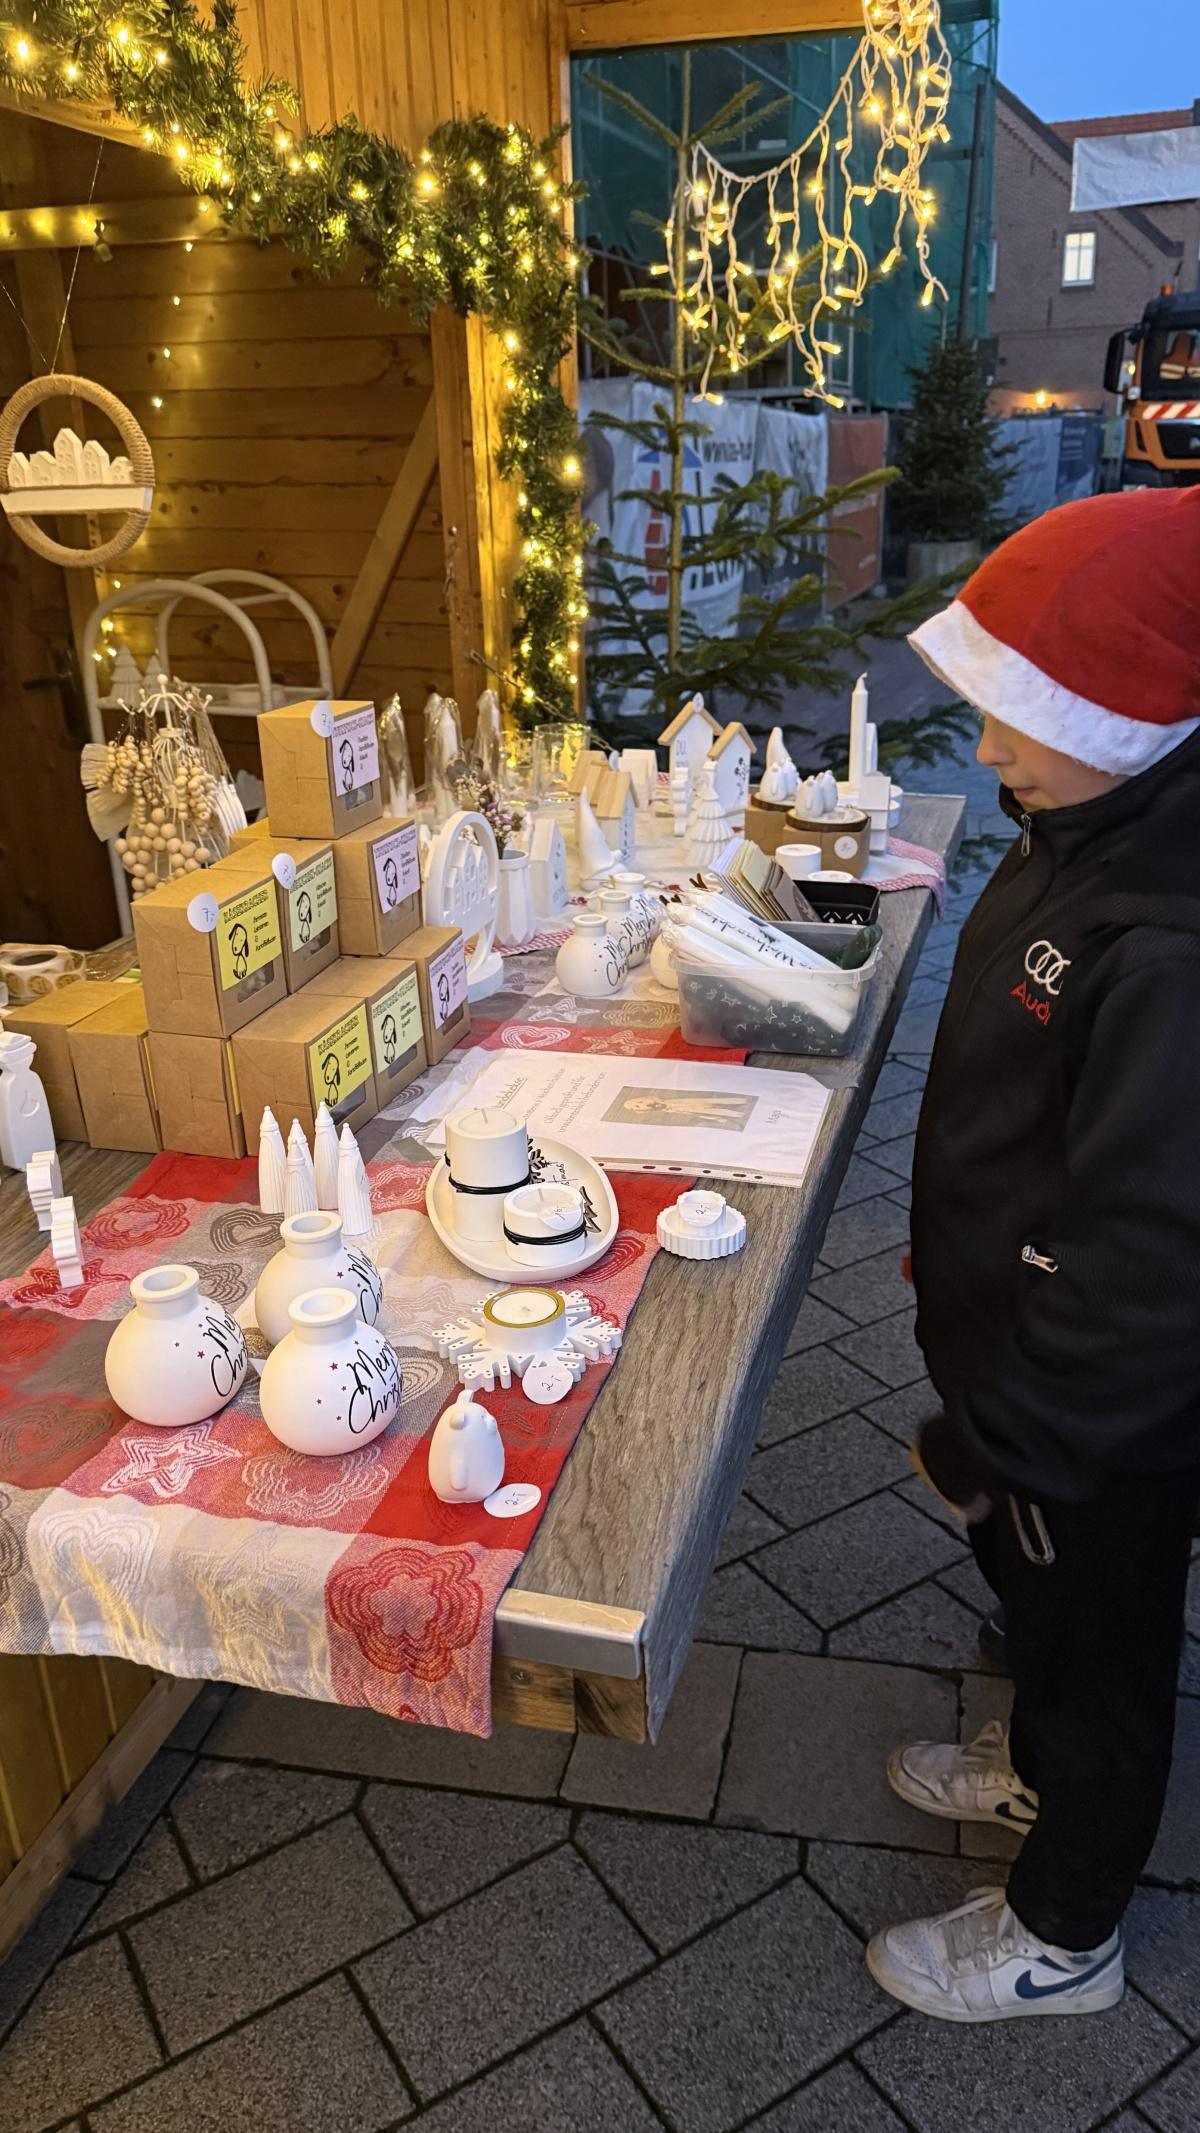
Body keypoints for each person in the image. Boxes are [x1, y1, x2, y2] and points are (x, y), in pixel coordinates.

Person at [866, 485, 1200, 2023]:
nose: (987, 746)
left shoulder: (1169, 939)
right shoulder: (1079, 820)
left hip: (1093, 1422)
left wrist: (1010, 1435)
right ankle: (1036, 1764)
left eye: (1021, 713)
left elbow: (1148, 1259)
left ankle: (1069, 1927)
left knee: (1101, 1650)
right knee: (1037, 1607)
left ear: (1125, 712)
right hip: (1020, 1372)